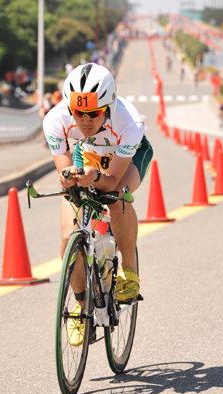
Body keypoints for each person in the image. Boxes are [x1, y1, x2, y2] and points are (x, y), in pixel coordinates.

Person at [43, 63, 153, 345]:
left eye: (94, 113)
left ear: (109, 107)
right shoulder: (55, 121)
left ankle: (128, 271)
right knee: (69, 234)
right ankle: (80, 305)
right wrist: (72, 179)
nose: (86, 120)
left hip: (123, 157)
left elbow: (111, 180)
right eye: (79, 113)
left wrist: (94, 178)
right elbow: (65, 176)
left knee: (115, 196)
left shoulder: (130, 123)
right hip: (88, 153)